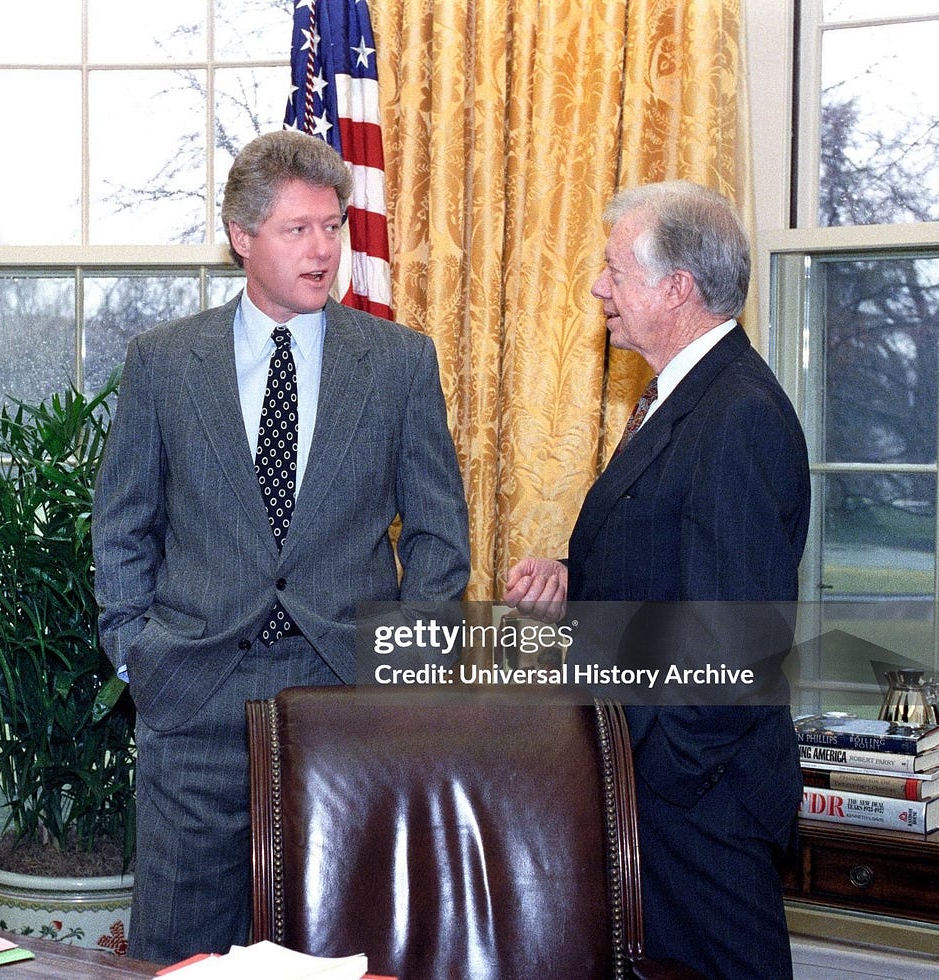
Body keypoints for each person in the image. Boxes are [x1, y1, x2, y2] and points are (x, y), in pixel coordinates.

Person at [93, 129, 471, 964]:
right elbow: (123, 520)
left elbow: (441, 535)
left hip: (345, 696)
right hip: (194, 697)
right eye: (299, 229)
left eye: (333, 226)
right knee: (182, 955)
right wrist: (134, 651)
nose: (324, 248)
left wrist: (405, 665)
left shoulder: (399, 363)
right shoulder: (163, 363)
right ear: (242, 236)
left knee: (339, 950)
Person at [505, 181, 809, 978]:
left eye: (613, 270)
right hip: (664, 796)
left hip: (696, 806)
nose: (599, 288)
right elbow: (680, 567)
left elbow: (736, 647)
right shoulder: (683, 397)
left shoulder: (735, 413)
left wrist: (650, 780)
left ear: (676, 288)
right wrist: (574, 579)